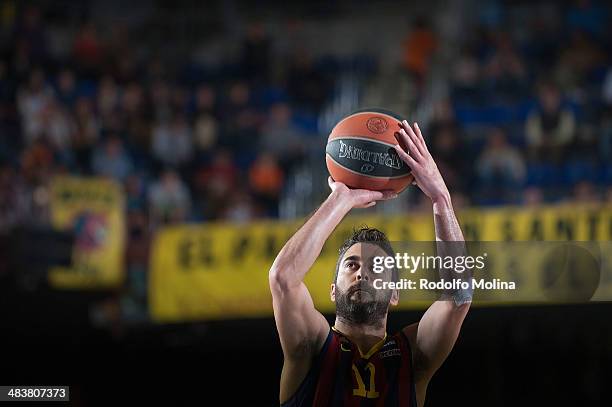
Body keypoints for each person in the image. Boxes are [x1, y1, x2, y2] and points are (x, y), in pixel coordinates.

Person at [270, 121, 471, 406]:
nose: (362, 272)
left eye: (376, 266)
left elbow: (459, 297)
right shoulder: (312, 347)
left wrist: (441, 199)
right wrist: (340, 199)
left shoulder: (411, 356)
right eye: (351, 265)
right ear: (332, 289)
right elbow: (282, 278)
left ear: (395, 294)